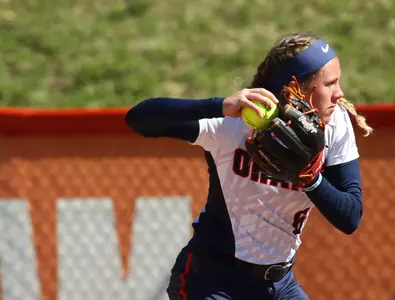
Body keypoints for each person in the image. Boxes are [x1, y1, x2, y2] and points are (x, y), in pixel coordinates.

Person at [124, 32, 372, 300]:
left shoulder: (335, 124)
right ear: (296, 87)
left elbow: (350, 216)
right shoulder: (233, 123)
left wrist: (311, 179)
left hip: (280, 284)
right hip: (213, 280)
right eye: (330, 84)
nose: (340, 94)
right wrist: (218, 106)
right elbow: (139, 118)